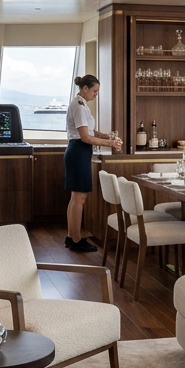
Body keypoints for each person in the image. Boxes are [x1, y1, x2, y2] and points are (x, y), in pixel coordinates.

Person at [64, 75, 122, 252]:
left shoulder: (80, 104)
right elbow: (86, 137)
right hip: (79, 151)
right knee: (79, 198)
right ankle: (75, 239)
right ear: (85, 89)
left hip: (78, 151)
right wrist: (111, 143)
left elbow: (89, 130)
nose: (96, 95)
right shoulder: (80, 107)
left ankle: (71, 236)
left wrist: (105, 135)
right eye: (95, 91)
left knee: (76, 198)